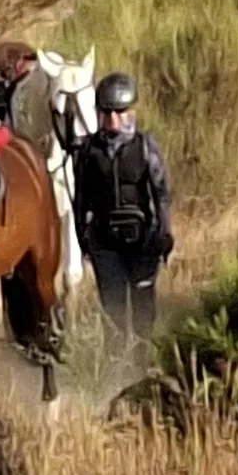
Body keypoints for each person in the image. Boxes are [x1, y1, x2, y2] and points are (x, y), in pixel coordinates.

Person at [72, 73, 173, 349]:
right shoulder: (87, 151)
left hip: (142, 239)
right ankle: (114, 370)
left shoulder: (145, 146)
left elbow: (161, 193)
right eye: (106, 112)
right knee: (113, 310)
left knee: (143, 310)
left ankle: (142, 367)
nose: (113, 120)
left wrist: (163, 233)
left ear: (131, 111)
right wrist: (83, 239)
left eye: (120, 112)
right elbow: (79, 198)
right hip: (105, 242)